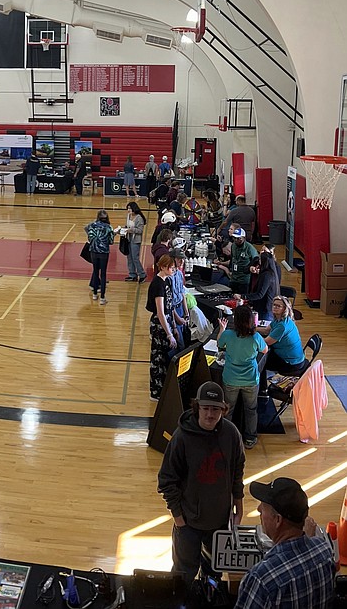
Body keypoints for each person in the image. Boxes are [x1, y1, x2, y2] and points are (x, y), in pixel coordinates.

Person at [157, 382, 246, 578]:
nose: (210, 414)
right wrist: (179, 519)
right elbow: (166, 480)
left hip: (220, 522)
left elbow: (237, 470)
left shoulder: (231, 434)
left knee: (213, 574)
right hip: (188, 524)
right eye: (205, 408)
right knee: (183, 575)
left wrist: (238, 506)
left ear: (224, 410)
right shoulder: (181, 437)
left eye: (215, 409)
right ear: (197, 407)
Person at [235, 477, 336, 608]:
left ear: (278, 520)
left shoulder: (262, 578)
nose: (259, 509)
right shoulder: (325, 551)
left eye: (264, 507)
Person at [216, 304, 268, 448]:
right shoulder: (256, 337)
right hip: (251, 380)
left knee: (228, 409)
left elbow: (220, 344)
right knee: (251, 410)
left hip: (231, 379)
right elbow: (265, 350)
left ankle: (227, 438)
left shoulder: (228, 335)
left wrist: (221, 329)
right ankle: (250, 438)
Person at [147, 255, 177, 400]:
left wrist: (175, 326)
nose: (174, 270)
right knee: (158, 359)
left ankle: (163, 388)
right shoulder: (157, 284)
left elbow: (170, 307)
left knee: (165, 358)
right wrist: (169, 333)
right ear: (163, 267)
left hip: (168, 322)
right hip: (160, 325)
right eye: (171, 267)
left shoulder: (167, 281)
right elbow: (160, 312)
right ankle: (155, 391)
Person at [261, 296, 305, 375]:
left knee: (260, 362)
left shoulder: (282, 326)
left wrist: (251, 335)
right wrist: (251, 329)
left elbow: (266, 342)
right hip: (292, 357)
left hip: (291, 363)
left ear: (284, 309)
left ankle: (262, 386)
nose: (275, 307)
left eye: (278, 306)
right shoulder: (279, 318)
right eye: (274, 305)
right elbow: (266, 331)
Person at [215, 227, 258, 294]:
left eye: (239, 238)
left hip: (244, 279)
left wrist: (251, 268)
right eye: (234, 238)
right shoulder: (233, 246)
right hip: (234, 278)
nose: (236, 240)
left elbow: (256, 260)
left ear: (244, 238)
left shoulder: (249, 248)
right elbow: (232, 259)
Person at [84, 210, 114, 305]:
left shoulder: (92, 225)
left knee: (96, 272)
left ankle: (95, 294)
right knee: (103, 274)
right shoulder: (109, 227)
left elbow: (89, 236)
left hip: (93, 251)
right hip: (104, 252)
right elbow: (111, 241)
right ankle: (102, 298)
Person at [245, 250, 280, 322]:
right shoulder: (270, 273)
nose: (259, 260)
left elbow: (260, 294)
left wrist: (243, 296)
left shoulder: (267, 275)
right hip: (264, 308)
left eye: (260, 259)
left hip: (265, 310)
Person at [122, 201, 147, 282]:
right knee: (129, 257)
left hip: (135, 240)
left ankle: (142, 274)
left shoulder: (139, 218)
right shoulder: (128, 216)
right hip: (128, 239)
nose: (128, 210)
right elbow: (128, 225)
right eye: (128, 208)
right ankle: (132, 274)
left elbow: (140, 230)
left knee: (135, 258)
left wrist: (130, 230)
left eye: (129, 208)